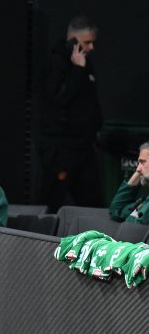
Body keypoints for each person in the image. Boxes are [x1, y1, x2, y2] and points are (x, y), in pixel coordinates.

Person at [38, 15, 103, 211]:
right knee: (52, 200)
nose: (91, 47)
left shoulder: (85, 63)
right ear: (73, 40)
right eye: (87, 42)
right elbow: (59, 99)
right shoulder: (57, 62)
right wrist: (77, 70)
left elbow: (89, 102)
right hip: (63, 148)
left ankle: (97, 240)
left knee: (93, 202)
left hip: (84, 146)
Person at [108, 142, 149, 225]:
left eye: (142, 162)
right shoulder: (146, 201)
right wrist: (140, 173)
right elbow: (116, 211)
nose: (137, 169)